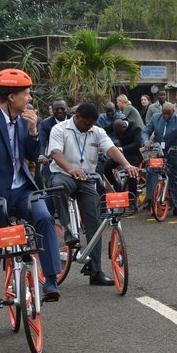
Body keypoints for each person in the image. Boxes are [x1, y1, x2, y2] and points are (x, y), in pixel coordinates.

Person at [0, 69, 62, 343]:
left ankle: (51, 280)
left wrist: (33, 131)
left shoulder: (23, 120)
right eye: (26, 94)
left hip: (22, 191)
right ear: (11, 97)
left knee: (44, 218)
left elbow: (32, 155)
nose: (30, 98)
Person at [49, 103, 140, 285]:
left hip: (86, 179)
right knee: (58, 186)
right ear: (77, 116)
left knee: (95, 223)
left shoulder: (97, 131)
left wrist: (126, 164)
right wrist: (70, 169)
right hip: (64, 174)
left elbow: (111, 149)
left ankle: (95, 271)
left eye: (92, 124)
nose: (89, 127)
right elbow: (56, 153)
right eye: (86, 123)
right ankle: (67, 230)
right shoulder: (60, 129)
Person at [142, 102, 177, 217]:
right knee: (151, 173)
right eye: (164, 113)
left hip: (173, 152)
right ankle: (150, 200)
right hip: (157, 151)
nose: (166, 116)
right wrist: (146, 141)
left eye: (168, 114)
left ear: (173, 112)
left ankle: (176, 207)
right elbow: (146, 131)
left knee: (173, 179)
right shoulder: (155, 117)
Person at [105, 118, 143, 200]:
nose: (119, 134)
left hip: (134, 155)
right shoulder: (117, 124)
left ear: (124, 127)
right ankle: (115, 185)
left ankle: (132, 199)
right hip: (121, 154)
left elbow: (137, 144)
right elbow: (104, 130)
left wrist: (123, 148)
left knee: (131, 174)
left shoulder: (135, 129)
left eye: (120, 132)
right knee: (107, 166)